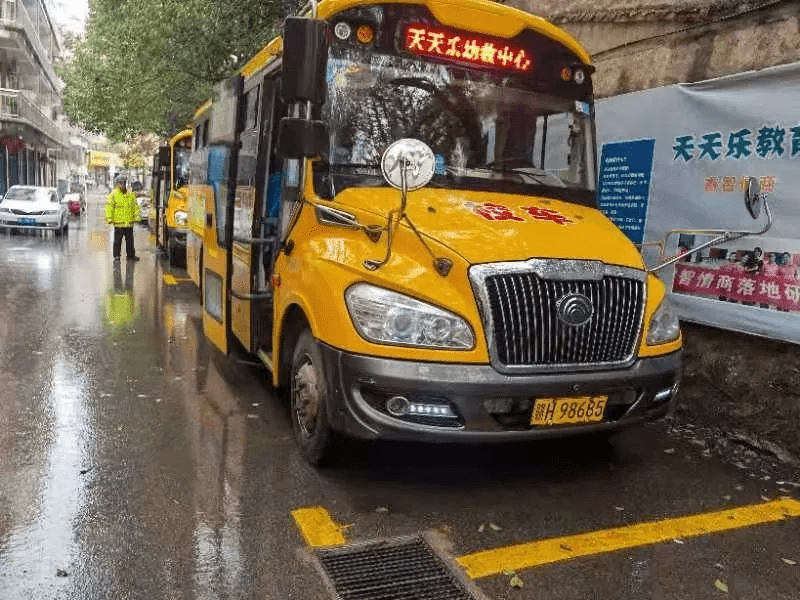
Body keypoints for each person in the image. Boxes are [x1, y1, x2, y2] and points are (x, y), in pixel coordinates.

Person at [105, 175, 140, 262]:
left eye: (124, 183)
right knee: (117, 241)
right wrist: (109, 218)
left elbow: (135, 207)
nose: (122, 185)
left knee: (130, 241)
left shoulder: (131, 195)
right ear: (118, 184)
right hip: (119, 223)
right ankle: (116, 256)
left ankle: (131, 255)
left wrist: (137, 216)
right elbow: (109, 207)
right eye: (121, 183)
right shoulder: (114, 195)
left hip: (129, 222)